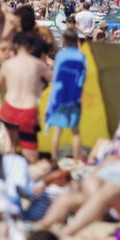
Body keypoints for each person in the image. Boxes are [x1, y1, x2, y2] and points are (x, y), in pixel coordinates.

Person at [0, 33, 53, 162]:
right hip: (27, 111)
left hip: (9, 109)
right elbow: (54, 80)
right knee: (31, 156)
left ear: (16, 46)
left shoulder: (7, 64)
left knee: (10, 147)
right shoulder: (37, 64)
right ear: (31, 48)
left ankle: (9, 172)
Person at [46, 30, 87, 161]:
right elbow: (82, 78)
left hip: (60, 95)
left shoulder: (60, 55)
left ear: (64, 40)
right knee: (75, 131)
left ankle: (53, 159)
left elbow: (56, 76)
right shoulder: (81, 56)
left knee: (57, 129)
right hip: (74, 96)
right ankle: (75, 161)